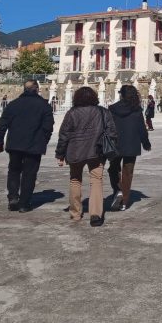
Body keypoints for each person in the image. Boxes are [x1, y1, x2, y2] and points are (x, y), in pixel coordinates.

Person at [56, 86, 114, 227]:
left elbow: (64, 135)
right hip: (97, 151)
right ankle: (95, 214)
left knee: (75, 180)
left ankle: (75, 213)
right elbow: (112, 132)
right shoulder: (103, 112)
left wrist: (60, 154)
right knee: (96, 180)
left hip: (75, 151)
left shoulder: (72, 113)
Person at [0, 80, 55, 213]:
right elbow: (48, 127)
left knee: (14, 171)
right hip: (34, 145)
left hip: (15, 144)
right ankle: (24, 203)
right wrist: (44, 141)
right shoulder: (44, 106)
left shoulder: (13, 105)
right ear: (37, 89)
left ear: (24, 89)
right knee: (29, 174)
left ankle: (13, 198)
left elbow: (3, 124)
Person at [107, 84, 152, 211]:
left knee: (113, 169)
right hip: (132, 144)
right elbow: (141, 128)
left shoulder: (112, 109)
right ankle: (124, 202)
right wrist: (145, 143)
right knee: (128, 173)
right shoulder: (136, 109)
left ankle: (118, 190)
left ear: (121, 94)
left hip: (115, 144)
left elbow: (108, 127)